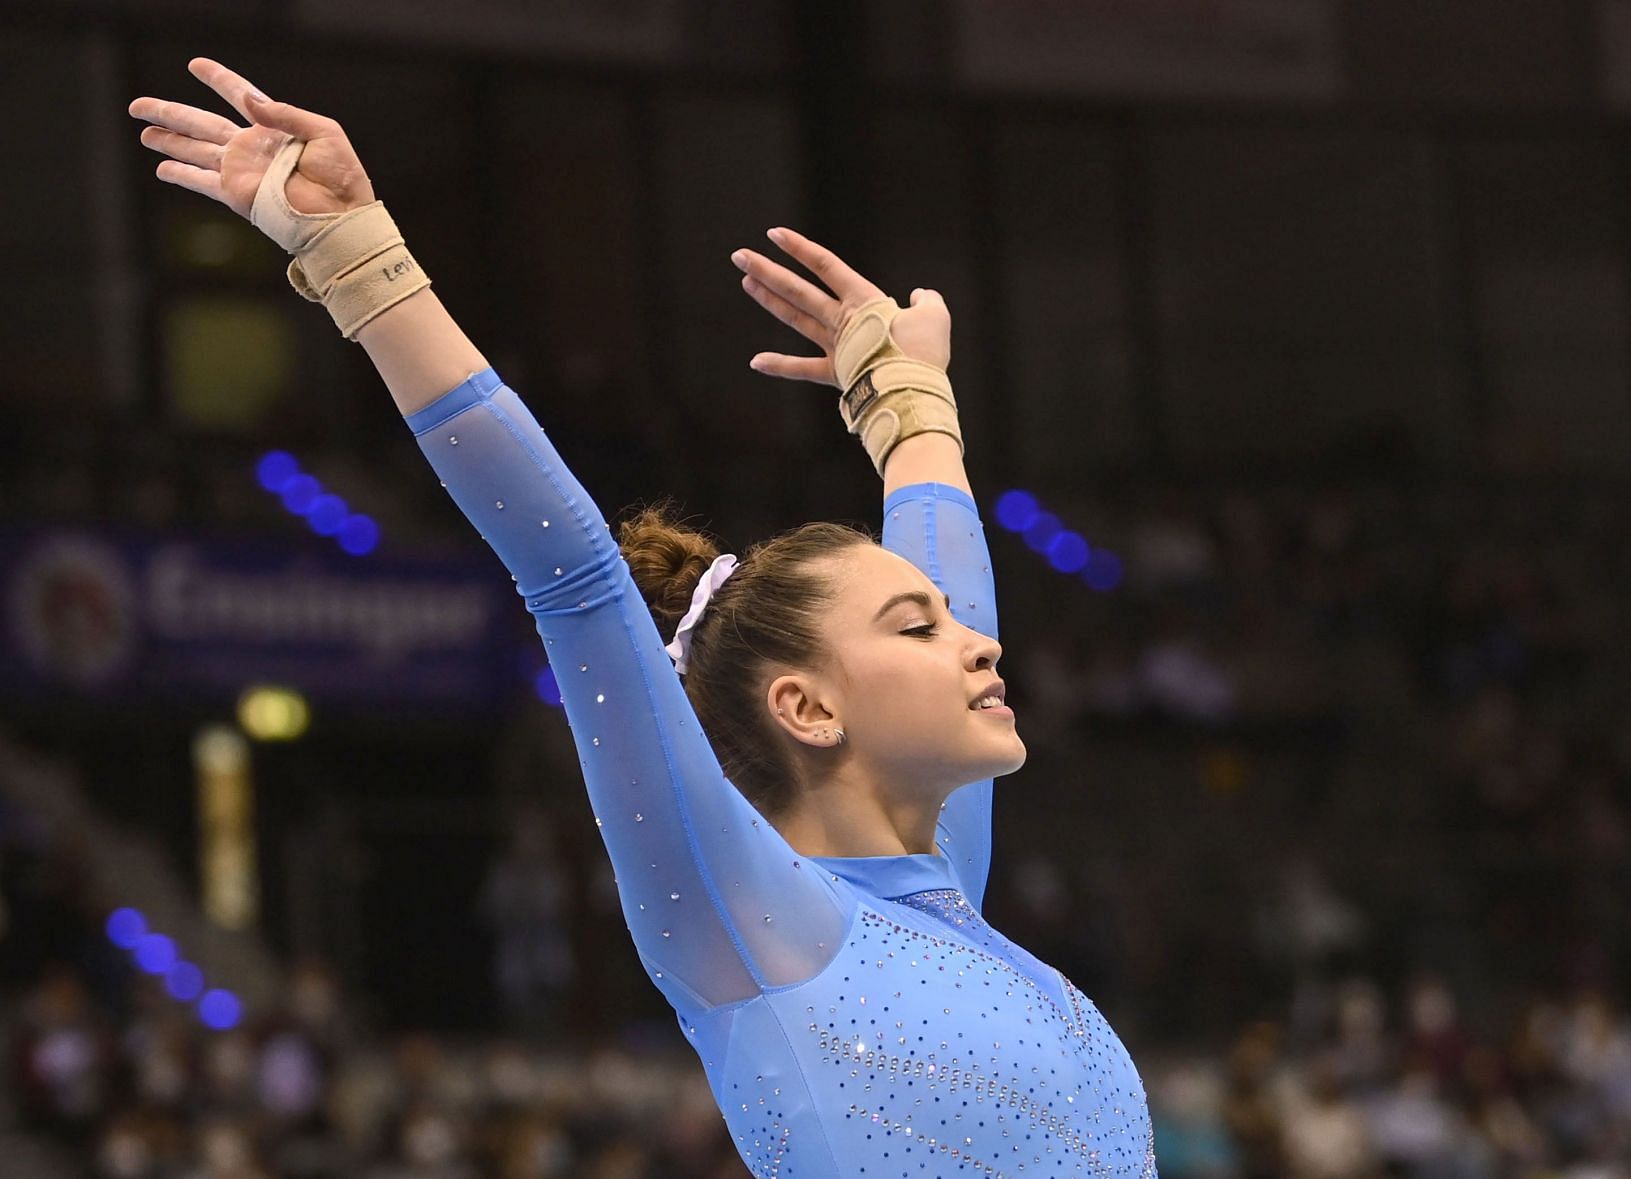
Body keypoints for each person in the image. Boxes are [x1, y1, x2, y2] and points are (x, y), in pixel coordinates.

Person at [128, 57, 1158, 1175]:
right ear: (806, 707)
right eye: (918, 629)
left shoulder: (944, 888)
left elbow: (952, 577)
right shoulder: (751, 924)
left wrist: (910, 410)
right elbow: (571, 571)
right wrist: (362, 261)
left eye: (946, 621)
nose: (978, 637)